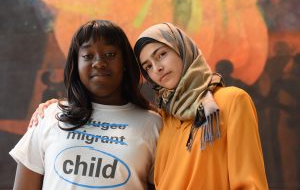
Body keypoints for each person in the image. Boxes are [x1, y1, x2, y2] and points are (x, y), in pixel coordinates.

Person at [29, 22, 269, 189]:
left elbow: (250, 182)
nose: (158, 68)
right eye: (148, 66)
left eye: (161, 54)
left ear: (182, 48)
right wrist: (54, 106)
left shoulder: (230, 101)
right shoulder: (164, 116)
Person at [9, 20, 162, 190]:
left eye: (110, 54)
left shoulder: (153, 124)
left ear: (125, 62)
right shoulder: (49, 116)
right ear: (76, 65)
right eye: (88, 56)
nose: (99, 62)